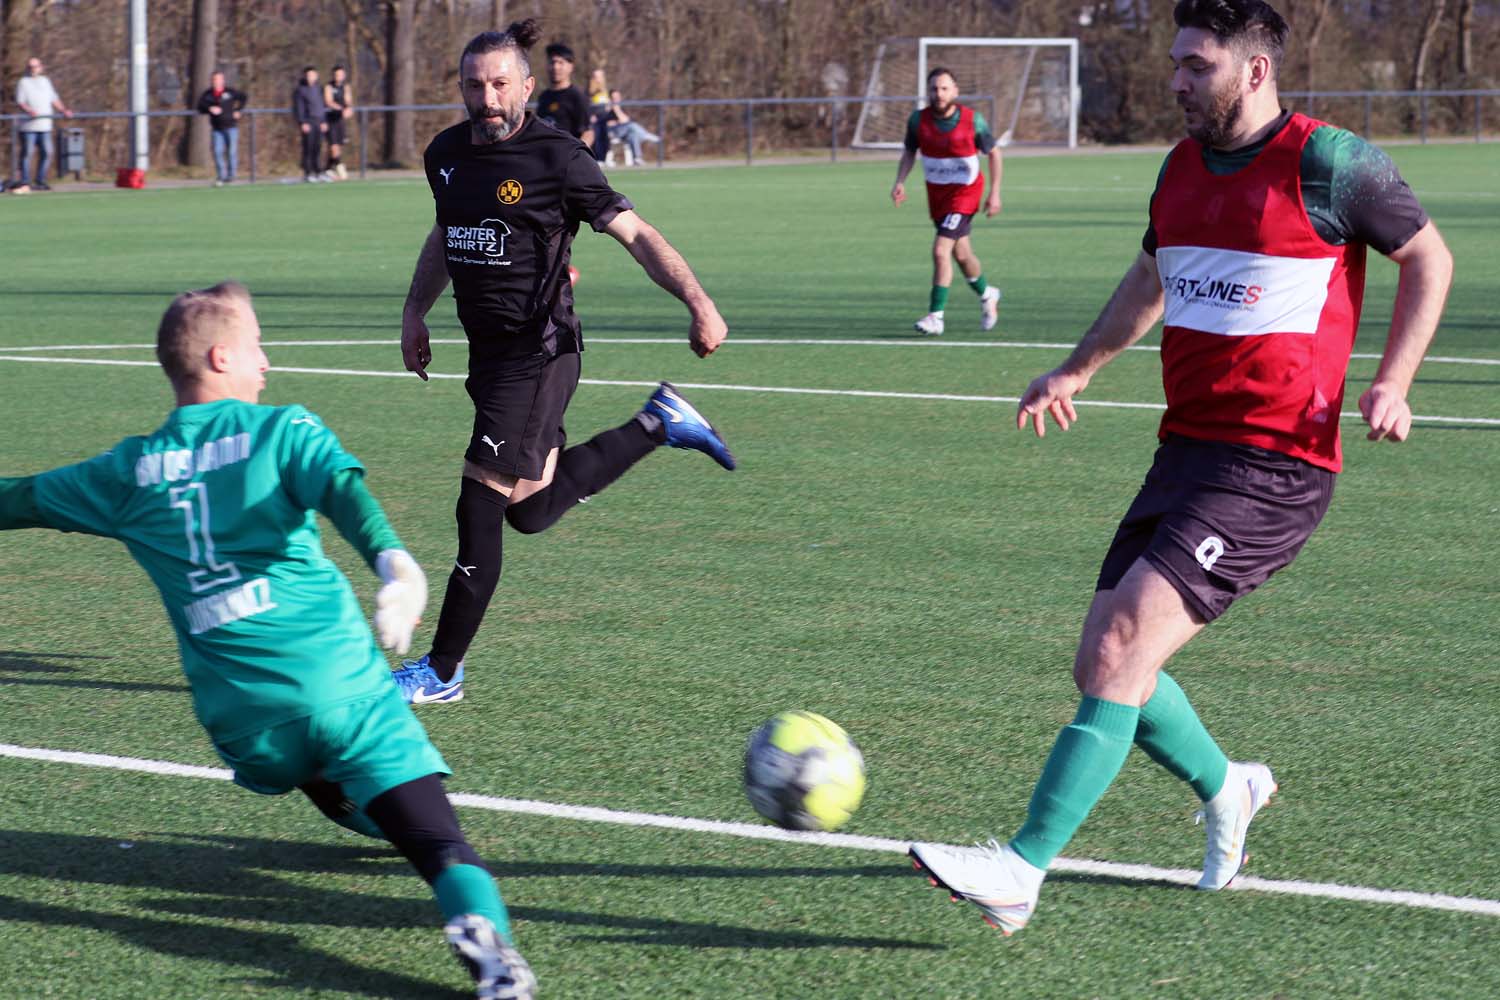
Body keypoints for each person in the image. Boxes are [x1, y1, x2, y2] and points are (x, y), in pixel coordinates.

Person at [907, 0, 1452, 936]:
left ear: (1254, 71)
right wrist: (1075, 367)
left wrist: (1392, 382)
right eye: (1175, 64)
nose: (1176, 81)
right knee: (1107, 661)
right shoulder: (1180, 167)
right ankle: (1228, 786)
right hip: (1186, 450)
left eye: (1196, 65)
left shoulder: (1331, 163)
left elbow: (1428, 257)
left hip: (1277, 465)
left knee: (1121, 648)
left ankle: (1021, 868)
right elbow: (1151, 282)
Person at [0, 282, 537, 999]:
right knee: (441, 845)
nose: (267, 361)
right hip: (341, 685)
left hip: (246, 724)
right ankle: (487, 945)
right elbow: (346, 496)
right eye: (257, 346)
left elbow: (19, 498)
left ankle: (367, 808)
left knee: (318, 767)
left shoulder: (125, 472)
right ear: (222, 356)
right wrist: (396, 567)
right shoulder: (282, 430)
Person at [395, 19, 733, 706]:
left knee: (477, 502)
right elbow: (445, 232)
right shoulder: (446, 154)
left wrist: (698, 302)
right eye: (473, 85)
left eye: (498, 84)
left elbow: (635, 234)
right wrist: (414, 311)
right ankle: (656, 423)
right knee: (528, 509)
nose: (486, 99)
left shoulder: (559, 159)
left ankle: (441, 670)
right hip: (489, 356)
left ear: (525, 85)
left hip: (540, 351)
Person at [890, 67, 1002, 336]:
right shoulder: (918, 121)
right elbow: (909, 151)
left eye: (944, 88)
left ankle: (935, 317)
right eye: (933, 89)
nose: (938, 94)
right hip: (938, 195)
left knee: (941, 250)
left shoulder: (972, 120)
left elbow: (994, 154)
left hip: (965, 194)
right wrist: (900, 181)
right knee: (962, 255)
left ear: (955, 91)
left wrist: (994, 193)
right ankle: (988, 294)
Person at [14, 56, 73, 191]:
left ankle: (40, 181)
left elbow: (54, 99)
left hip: (45, 125)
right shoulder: (23, 82)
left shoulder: (46, 81)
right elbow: (20, 102)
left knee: (47, 152)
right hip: (29, 127)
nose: (32, 69)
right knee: (27, 154)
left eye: (35, 66)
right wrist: (30, 111)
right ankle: (25, 182)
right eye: (30, 67)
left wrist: (64, 110)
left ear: (41, 67)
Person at [533, 41, 592, 147]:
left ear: (571, 66)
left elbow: (588, 133)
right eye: (552, 62)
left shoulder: (577, 96)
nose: (556, 67)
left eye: (561, 62)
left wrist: (576, 156)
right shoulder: (544, 96)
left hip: (568, 156)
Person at [196, 70, 247, 186]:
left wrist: (239, 110)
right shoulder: (208, 94)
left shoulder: (230, 92)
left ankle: (231, 175)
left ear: (223, 80)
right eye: (214, 79)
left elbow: (244, 97)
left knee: (231, 152)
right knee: (218, 152)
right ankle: (221, 176)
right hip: (217, 129)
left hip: (231, 127)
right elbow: (200, 106)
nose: (216, 81)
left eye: (219, 79)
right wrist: (210, 108)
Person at [605, 89, 661, 166]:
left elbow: (626, 120)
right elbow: (613, 122)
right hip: (614, 133)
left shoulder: (623, 107)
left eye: (618, 97)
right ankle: (646, 135)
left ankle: (637, 158)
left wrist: (620, 119)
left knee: (633, 135)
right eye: (614, 98)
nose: (617, 99)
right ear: (610, 98)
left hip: (624, 132)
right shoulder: (608, 108)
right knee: (631, 125)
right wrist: (615, 109)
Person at [292, 66, 329, 183]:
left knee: (317, 148)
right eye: (308, 75)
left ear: (316, 76)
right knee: (308, 148)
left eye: (312, 75)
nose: (310, 78)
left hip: (319, 122)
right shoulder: (300, 90)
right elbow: (299, 108)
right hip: (308, 122)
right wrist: (302, 122)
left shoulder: (319, 89)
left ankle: (318, 171)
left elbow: (322, 107)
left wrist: (323, 121)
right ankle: (308, 173)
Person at [323, 65, 354, 180]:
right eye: (337, 75)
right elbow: (328, 101)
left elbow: (348, 100)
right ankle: (340, 167)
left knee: (338, 147)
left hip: (339, 120)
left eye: (341, 75)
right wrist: (341, 109)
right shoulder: (328, 86)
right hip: (330, 119)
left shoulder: (345, 87)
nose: (339, 77)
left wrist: (349, 108)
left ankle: (327, 169)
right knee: (333, 147)